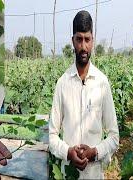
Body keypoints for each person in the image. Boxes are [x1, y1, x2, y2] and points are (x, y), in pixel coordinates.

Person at [49, 10, 119, 179]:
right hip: (68, 174)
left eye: (87, 40)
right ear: (72, 41)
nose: (83, 46)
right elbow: (51, 136)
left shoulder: (102, 83)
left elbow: (114, 136)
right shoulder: (62, 83)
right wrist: (68, 152)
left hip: (94, 174)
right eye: (79, 39)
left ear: (92, 41)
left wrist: (95, 152)